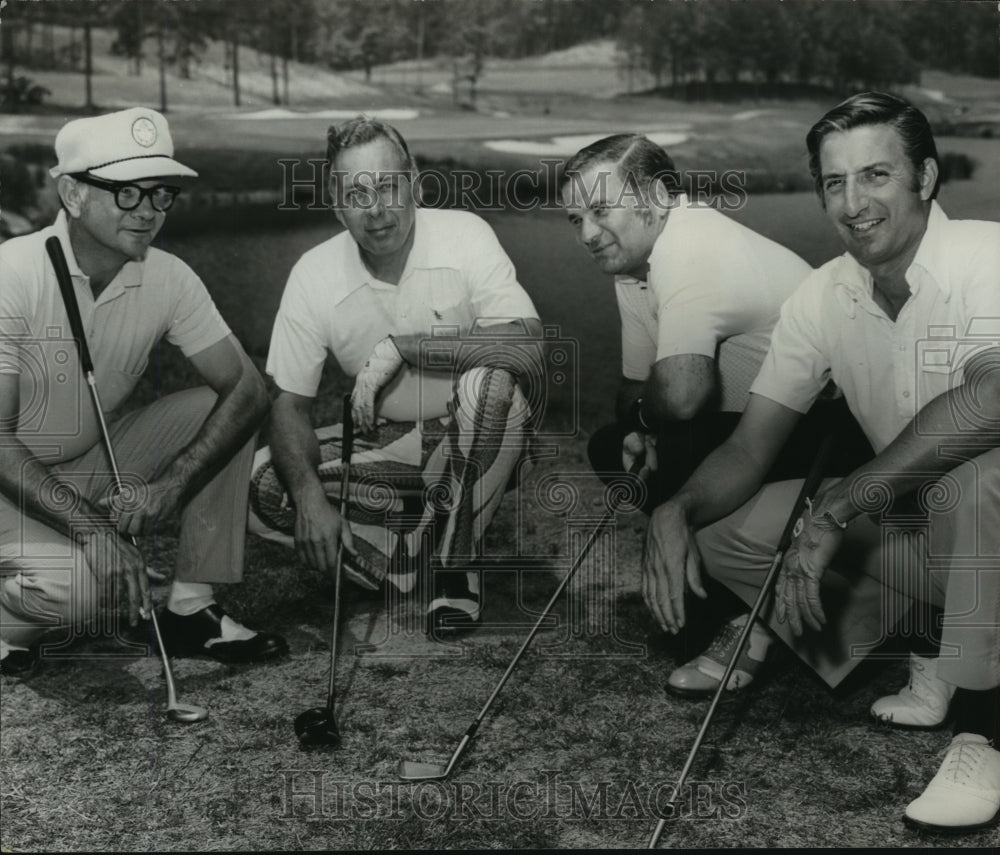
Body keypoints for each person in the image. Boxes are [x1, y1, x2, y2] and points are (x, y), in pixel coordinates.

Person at [642, 92, 1000, 833]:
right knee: (727, 527)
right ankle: (931, 644)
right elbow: (750, 446)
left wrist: (837, 509)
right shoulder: (821, 293)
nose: (853, 202)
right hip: (925, 532)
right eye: (834, 182)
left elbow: (993, 397)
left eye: (875, 175)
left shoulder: (987, 255)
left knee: (976, 481)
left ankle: (984, 729)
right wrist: (672, 509)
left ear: (926, 178)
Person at [560, 133, 873, 695]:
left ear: (654, 195)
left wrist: (651, 418)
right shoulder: (635, 264)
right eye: (574, 218)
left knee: (677, 440)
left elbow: (681, 393)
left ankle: (733, 628)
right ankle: (725, 592)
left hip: (839, 434)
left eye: (600, 210)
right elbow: (633, 392)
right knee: (616, 445)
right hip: (758, 427)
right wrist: (641, 425)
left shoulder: (692, 244)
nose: (585, 233)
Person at [0, 107, 287, 677]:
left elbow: (249, 388)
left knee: (223, 407)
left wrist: (173, 484)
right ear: (73, 194)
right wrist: (93, 529)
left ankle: (190, 606)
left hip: (77, 466)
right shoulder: (12, 272)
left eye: (161, 194)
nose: (150, 212)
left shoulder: (168, 276)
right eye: (127, 193)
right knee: (79, 590)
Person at [249, 116, 541, 637]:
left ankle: (455, 570)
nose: (377, 209)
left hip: (477, 433)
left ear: (415, 185)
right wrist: (311, 498)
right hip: (389, 444)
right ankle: (403, 562)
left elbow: (527, 343)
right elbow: (288, 404)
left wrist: (405, 348)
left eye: (388, 186)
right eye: (357, 193)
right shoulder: (312, 274)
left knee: (491, 385)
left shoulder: (465, 234)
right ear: (337, 206)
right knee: (265, 483)